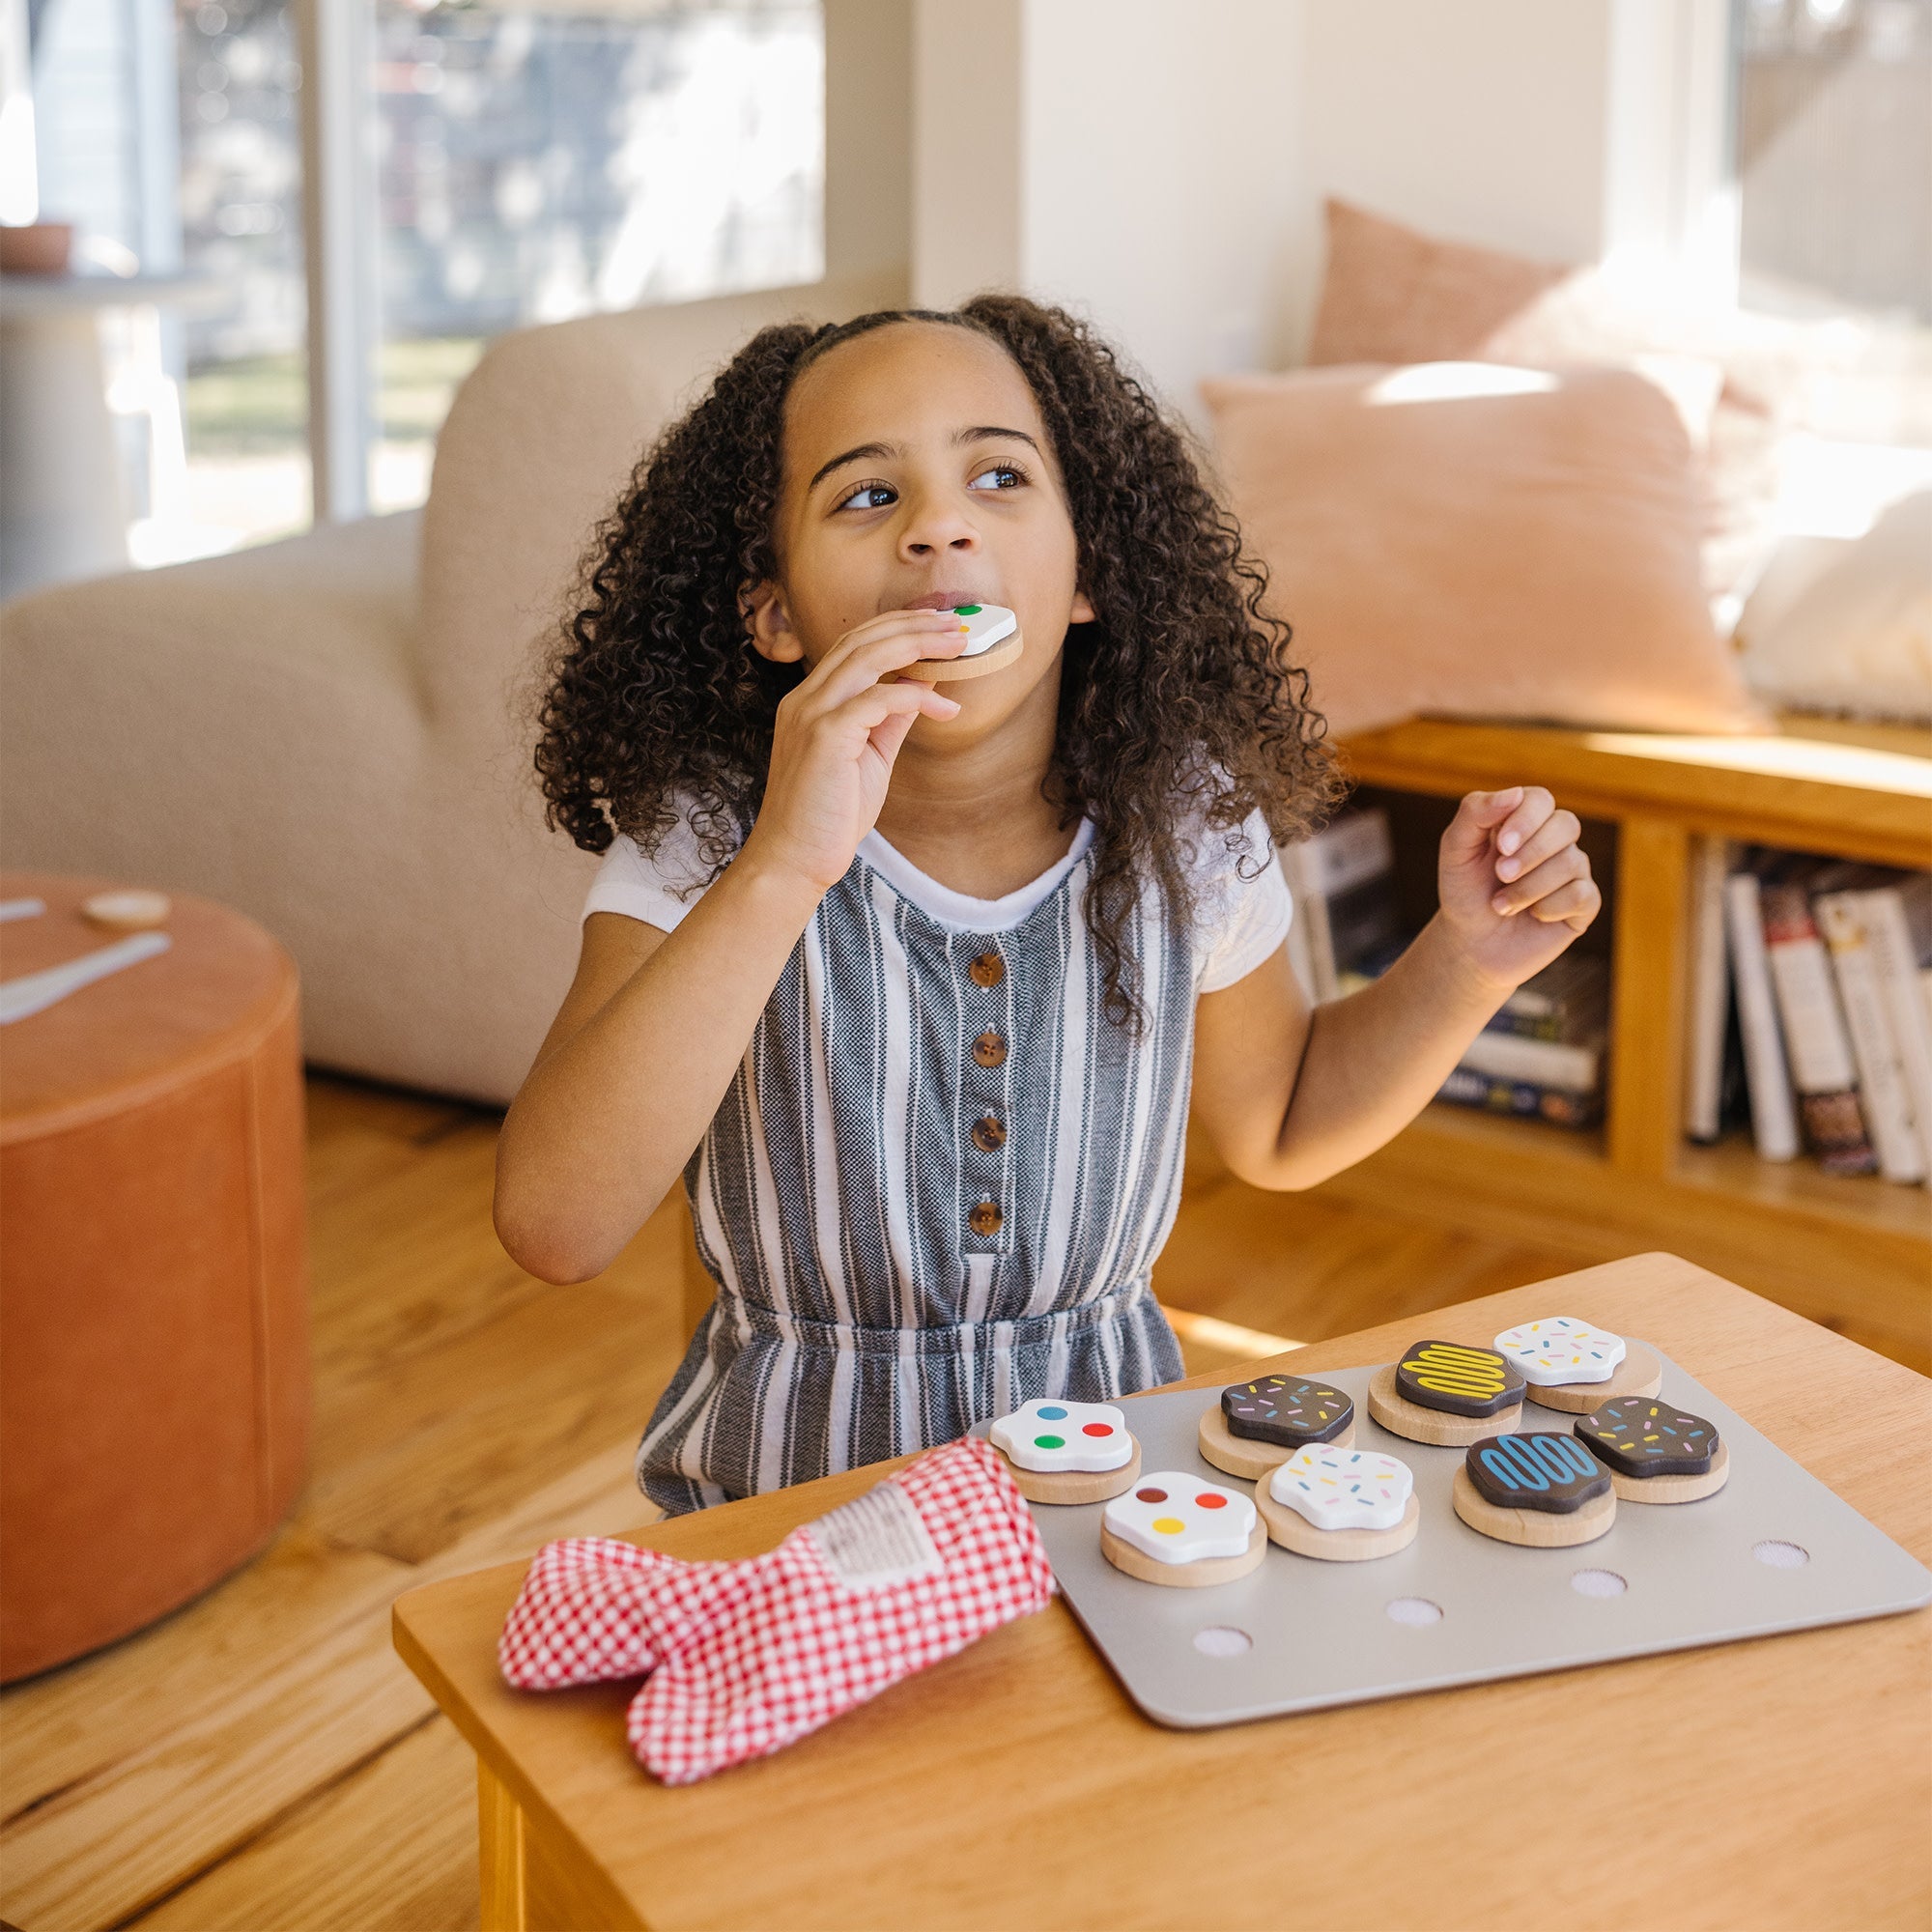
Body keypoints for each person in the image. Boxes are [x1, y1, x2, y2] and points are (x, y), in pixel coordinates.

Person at [495, 298, 1601, 1514]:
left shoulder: (1183, 821)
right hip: (786, 1511)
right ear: (772, 612)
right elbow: (557, 1223)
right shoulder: (709, 835)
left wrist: (1469, 962)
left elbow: (1280, 1123)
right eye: (867, 496)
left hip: (1106, 1501)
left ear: (1085, 576)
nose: (939, 529)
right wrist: (781, 866)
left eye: (999, 477)